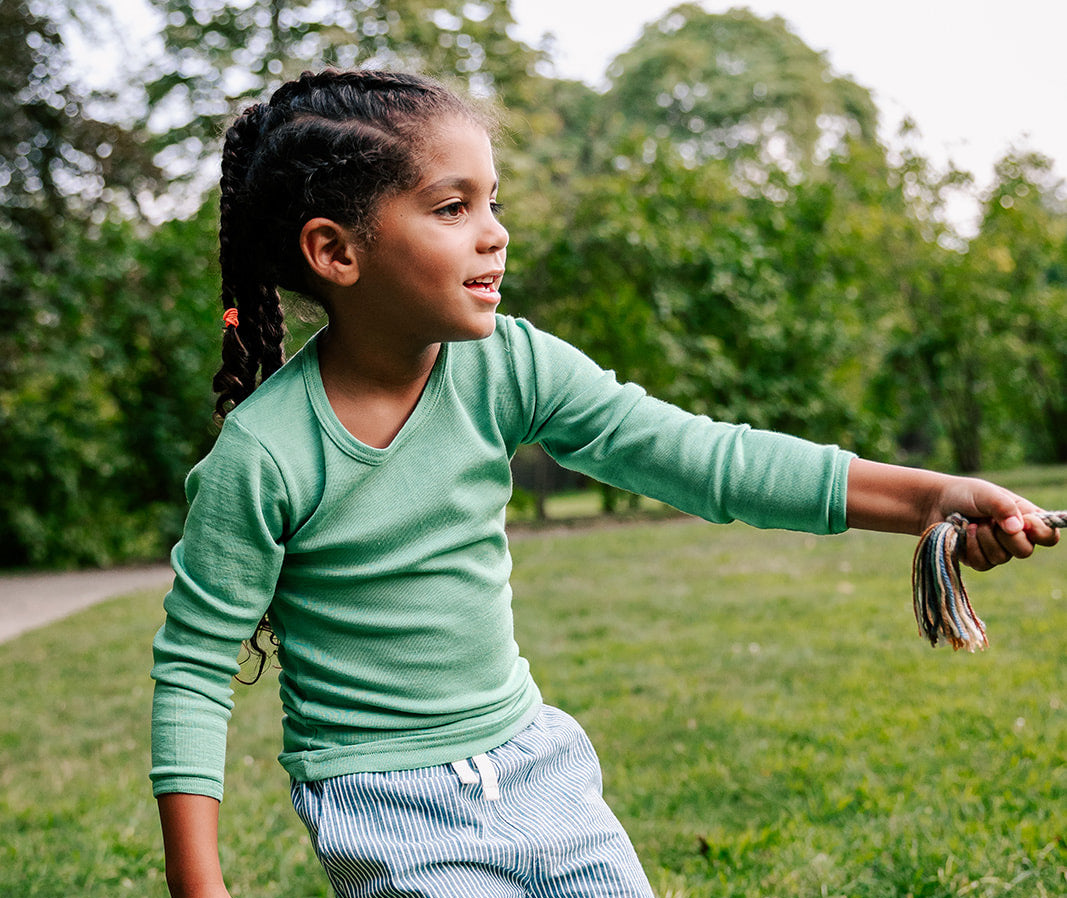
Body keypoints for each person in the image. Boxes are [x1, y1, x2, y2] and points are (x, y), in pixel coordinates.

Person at [150, 69, 1059, 898]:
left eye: (492, 201)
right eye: (451, 207)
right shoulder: (264, 454)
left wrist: (928, 500)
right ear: (335, 251)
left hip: (538, 767)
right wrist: (202, 889)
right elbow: (193, 670)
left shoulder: (509, 366)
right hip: (385, 803)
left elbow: (707, 460)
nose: (495, 233)